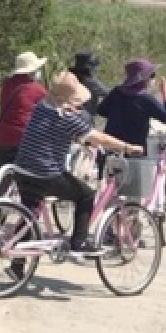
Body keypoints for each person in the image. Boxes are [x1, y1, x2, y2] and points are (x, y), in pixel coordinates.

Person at [14, 71, 143, 261]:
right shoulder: (66, 119)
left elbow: (54, 129)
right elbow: (98, 137)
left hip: (22, 170)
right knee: (86, 195)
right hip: (45, 174)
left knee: (29, 214)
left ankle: (17, 264)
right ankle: (79, 243)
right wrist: (127, 147)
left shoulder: (42, 107)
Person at [96, 58, 166, 150]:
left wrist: (118, 116)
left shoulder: (116, 92)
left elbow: (101, 110)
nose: (154, 78)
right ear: (144, 78)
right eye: (152, 75)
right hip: (134, 150)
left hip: (110, 145)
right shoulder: (145, 99)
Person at [0, 51, 49, 169]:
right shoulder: (37, 89)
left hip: (3, 137)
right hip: (24, 139)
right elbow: (50, 108)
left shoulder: (7, 84)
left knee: (3, 174)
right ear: (33, 71)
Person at [68, 51, 107, 120]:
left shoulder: (70, 78)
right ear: (89, 68)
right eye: (94, 66)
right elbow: (107, 93)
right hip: (85, 118)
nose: (96, 69)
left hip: (69, 116)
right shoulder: (89, 81)